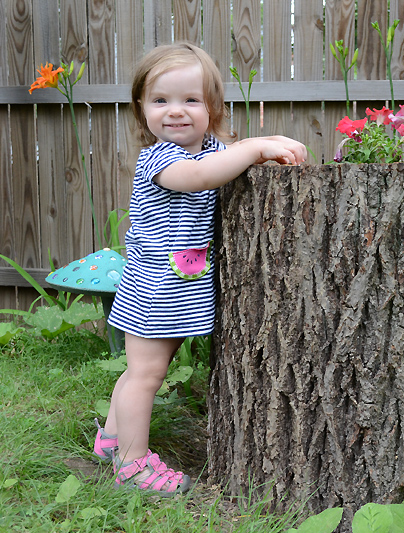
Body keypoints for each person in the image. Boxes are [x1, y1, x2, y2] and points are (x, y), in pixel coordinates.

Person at [92, 42, 307, 496]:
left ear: (212, 107)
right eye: (160, 100)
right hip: (154, 286)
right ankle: (131, 464)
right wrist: (254, 148)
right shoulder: (161, 157)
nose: (175, 112)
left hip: (177, 282)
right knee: (145, 374)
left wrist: (258, 147)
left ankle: (111, 439)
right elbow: (200, 176)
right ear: (141, 109)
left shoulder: (208, 148)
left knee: (147, 368)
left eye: (190, 100)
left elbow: (219, 157)